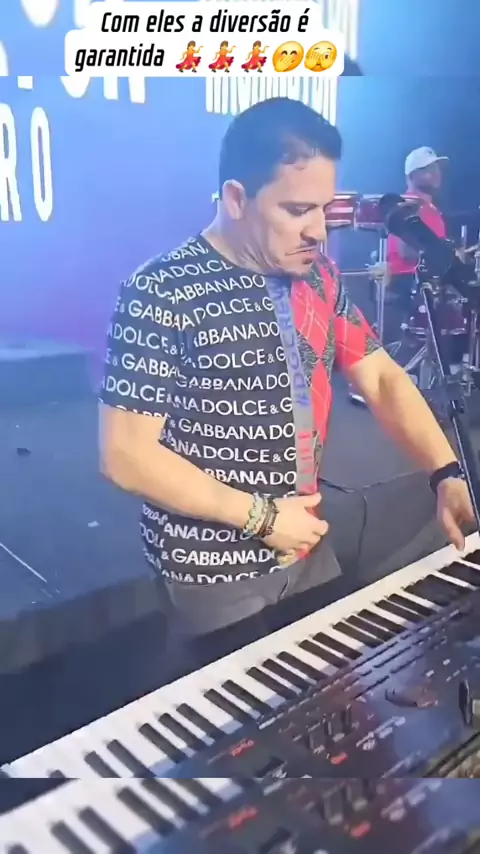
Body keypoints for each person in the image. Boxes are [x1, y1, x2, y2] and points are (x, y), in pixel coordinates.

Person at [99, 99, 474, 665]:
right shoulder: (160, 290)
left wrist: (445, 471)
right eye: (298, 209)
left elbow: (380, 375)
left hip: (305, 541)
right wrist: (264, 519)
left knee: (328, 696)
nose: (319, 230)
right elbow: (125, 456)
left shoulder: (317, 275)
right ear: (236, 199)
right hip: (211, 568)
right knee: (243, 716)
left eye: (325, 208)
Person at [383, 146, 448, 347]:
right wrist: (444, 253)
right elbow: (406, 251)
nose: (436, 173)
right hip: (409, 284)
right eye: (428, 169)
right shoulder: (407, 206)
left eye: (437, 167)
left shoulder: (429, 208)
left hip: (426, 282)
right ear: (412, 176)